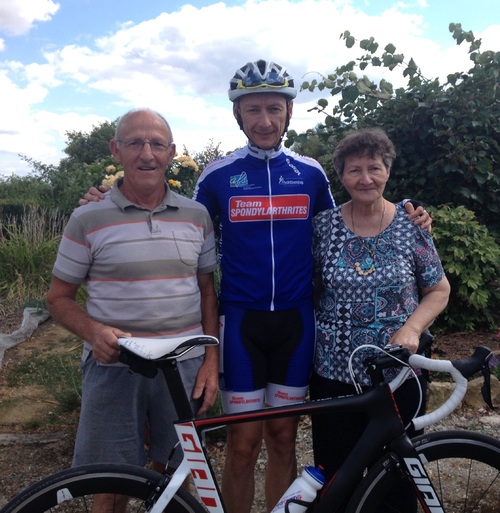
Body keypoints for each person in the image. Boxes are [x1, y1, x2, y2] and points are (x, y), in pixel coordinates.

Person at [79, 61, 431, 513]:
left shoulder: (309, 173)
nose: (264, 120)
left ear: (288, 114)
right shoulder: (218, 175)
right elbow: (174, 214)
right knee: (243, 444)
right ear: (238, 116)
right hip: (241, 323)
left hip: (296, 323)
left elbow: (352, 214)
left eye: (273, 109)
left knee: (284, 439)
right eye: (253, 110)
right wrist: (105, 198)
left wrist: (405, 210)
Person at [46, 108, 219, 513]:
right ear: (116, 150)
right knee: (111, 480)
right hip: (115, 366)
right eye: (135, 143)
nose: (147, 153)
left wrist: (212, 361)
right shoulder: (88, 218)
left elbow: (208, 292)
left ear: (172, 153)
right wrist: (92, 332)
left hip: (184, 366)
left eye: (157, 144)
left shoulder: (196, 215)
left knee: (177, 473)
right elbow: (57, 298)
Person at [310, 127, 450, 510]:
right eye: (354, 170)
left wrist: (412, 328)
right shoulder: (322, 226)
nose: (365, 178)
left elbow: (439, 289)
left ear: (388, 171)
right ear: (341, 176)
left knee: (397, 478)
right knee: (336, 476)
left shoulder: (411, 225)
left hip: (397, 372)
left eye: (374, 167)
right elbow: (308, 287)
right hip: (334, 372)